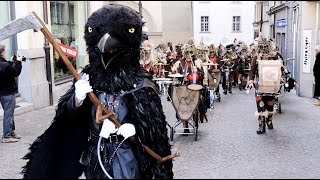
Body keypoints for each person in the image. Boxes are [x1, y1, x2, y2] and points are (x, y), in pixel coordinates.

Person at [22, 4, 174, 179]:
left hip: (127, 156)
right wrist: (77, 99)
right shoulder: (87, 78)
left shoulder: (142, 83)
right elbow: (67, 119)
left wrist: (137, 131)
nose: (108, 51)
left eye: (113, 49)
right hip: (96, 157)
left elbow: (155, 133)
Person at [0, 44, 23, 143]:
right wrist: (18, 62)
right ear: (3, 53)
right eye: (5, 51)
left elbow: (5, 70)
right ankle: (6, 136)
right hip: (8, 93)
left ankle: (11, 132)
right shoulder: (5, 65)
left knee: (9, 114)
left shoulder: (4, 64)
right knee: (8, 114)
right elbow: (16, 72)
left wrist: (10, 62)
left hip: (2, 92)